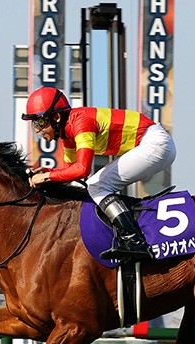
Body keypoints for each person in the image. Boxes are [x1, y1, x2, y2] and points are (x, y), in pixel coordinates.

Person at [21, 86, 176, 262]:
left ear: (56, 117)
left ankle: (133, 241)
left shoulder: (81, 122)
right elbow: (70, 173)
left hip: (156, 144)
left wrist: (48, 177)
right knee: (96, 184)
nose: (37, 130)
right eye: (33, 123)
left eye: (39, 122)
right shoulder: (68, 134)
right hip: (154, 145)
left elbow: (82, 170)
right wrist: (48, 172)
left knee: (97, 184)